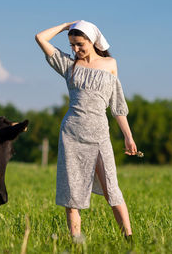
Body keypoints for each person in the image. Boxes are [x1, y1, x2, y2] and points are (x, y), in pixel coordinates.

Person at [35, 20, 137, 240]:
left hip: (99, 135)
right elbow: (40, 38)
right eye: (72, 45)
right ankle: (76, 242)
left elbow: (117, 105)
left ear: (92, 40)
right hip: (71, 134)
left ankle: (129, 238)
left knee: (112, 189)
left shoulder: (110, 63)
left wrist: (128, 137)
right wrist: (65, 26)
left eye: (80, 44)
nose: (75, 49)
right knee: (71, 194)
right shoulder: (68, 65)